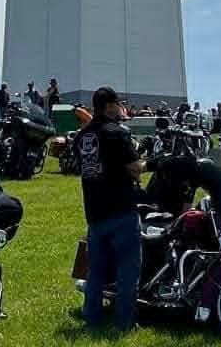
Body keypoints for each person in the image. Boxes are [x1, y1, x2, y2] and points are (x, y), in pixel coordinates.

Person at [76, 87, 143, 332]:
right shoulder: (117, 133)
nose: (120, 108)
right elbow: (134, 167)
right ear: (109, 106)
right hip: (121, 208)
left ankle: (91, 317)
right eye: (117, 104)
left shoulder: (82, 137)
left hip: (94, 211)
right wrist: (150, 165)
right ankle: (124, 322)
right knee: (128, 269)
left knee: (96, 270)